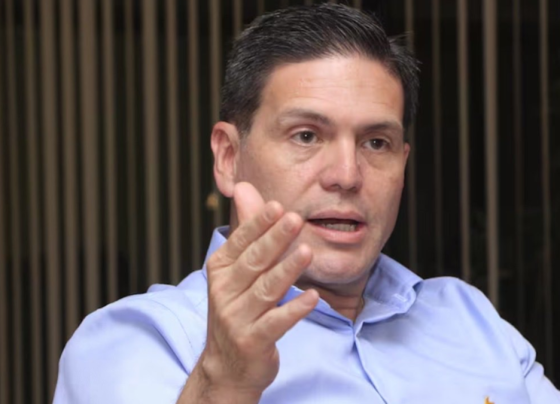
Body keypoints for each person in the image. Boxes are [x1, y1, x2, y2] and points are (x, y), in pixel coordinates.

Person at [53, 4, 559, 404]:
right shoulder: (138, 343)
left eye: (376, 142)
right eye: (306, 135)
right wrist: (221, 384)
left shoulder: (472, 320)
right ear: (228, 157)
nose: (347, 176)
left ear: (402, 164)